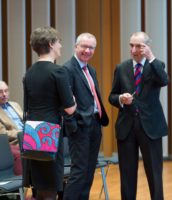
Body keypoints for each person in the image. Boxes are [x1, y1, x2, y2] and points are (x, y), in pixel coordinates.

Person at [109, 32, 169, 200]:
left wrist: (151, 57)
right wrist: (120, 99)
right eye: (131, 45)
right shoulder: (121, 68)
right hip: (126, 127)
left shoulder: (156, 65)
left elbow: (164, 80)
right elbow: (112, 96)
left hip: (151, 127)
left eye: (139, 46)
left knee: (154, 173)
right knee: (127, 174)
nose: (134, 50)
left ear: (147, 47)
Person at [23, 26, 77, 200]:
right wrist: (73, 100)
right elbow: (70, 109)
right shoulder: (58, 71)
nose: (61, 45)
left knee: (39, 186)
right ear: (51, 44)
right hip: (50, 133)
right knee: (51, 187)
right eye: (59, 42)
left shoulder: (29, 73)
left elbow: (27, 107)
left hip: (32, 133)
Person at [63, 32, 109, 200]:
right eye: (84, 46)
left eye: (91, 48)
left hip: (95, 125)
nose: (87, 51)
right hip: (80, 127)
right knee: (79, 172)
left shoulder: (91, 69)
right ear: (76, 46)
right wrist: (73, 127)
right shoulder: (67, 69)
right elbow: (64, 102)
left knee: (89, 171)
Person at [0, 80, 23, 175]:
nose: (4, 94)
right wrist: (22, 133)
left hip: (28, 138)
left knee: (49, 145)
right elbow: (3, 134)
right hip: (13, 143)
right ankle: (23, 187)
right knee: (21, 155)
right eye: (0, 92)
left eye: (6, 91)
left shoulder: (15, 105)